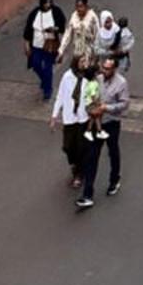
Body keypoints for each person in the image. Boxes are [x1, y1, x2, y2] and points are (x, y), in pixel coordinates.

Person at [78, 53, 128, 207]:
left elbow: (124, 104)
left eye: (108, 68)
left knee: (112, 151)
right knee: (92, 155)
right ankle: (87, 194)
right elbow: (90, 96)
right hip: (97, 122)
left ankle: (114, 179)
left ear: (115, 68)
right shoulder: (97, 79)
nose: (105, 71)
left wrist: (107, 108)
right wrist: (89, 109)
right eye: (103, 68)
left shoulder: (121, 83)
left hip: (111, 122)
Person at [50, 60, 94, 189]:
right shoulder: (67, 76)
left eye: (85, 62)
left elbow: (92, 95)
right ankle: (75, 163)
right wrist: (54, 116)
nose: (84, 64)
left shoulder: (88, 77)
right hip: (69, 117)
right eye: (82, 61)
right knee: (68, 146)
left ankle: (79, 173)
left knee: (81, 146)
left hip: (82, 118)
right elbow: (61, 96)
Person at [22, 0, 64, 101]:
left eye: (49, 2)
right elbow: (28, 29)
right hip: (36, 45)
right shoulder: (34, 13)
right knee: (35, 64)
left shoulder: (56, 11)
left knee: (48, 67)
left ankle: (48, 90)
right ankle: (44, 80)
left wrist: (55, 29)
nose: (47, 5)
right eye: (45, 3)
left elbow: (62, 25)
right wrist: (26, 44)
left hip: (50, 44)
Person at [57, 0, 100, 74]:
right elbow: (68, 34)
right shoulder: (74, 16)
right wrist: (61, 50)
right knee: (74, 73)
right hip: (77, 51)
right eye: (77, 7)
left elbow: (98, 35)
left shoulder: (92, 17)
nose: (78, 9)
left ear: (86, 6)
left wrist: (96, 54)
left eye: (81, 6)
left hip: (89, 51)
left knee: (86, 73)